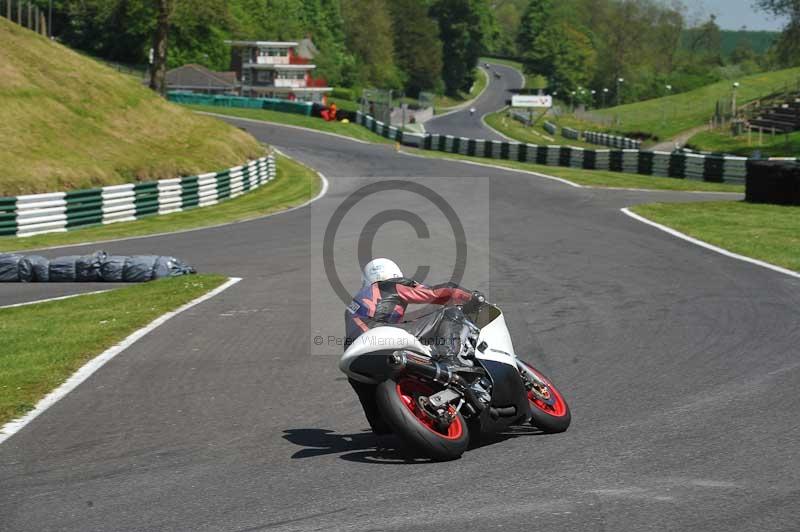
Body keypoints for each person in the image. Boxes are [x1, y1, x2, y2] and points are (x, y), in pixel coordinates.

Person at [344, 258, 483, 434]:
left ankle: (381, 420)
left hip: (354, 356)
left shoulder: (354, 303)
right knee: (449, 313)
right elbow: (436, 292)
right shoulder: (389, 284)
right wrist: (472, 297)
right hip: (379, 334)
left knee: (380, 424)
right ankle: (450, 362)